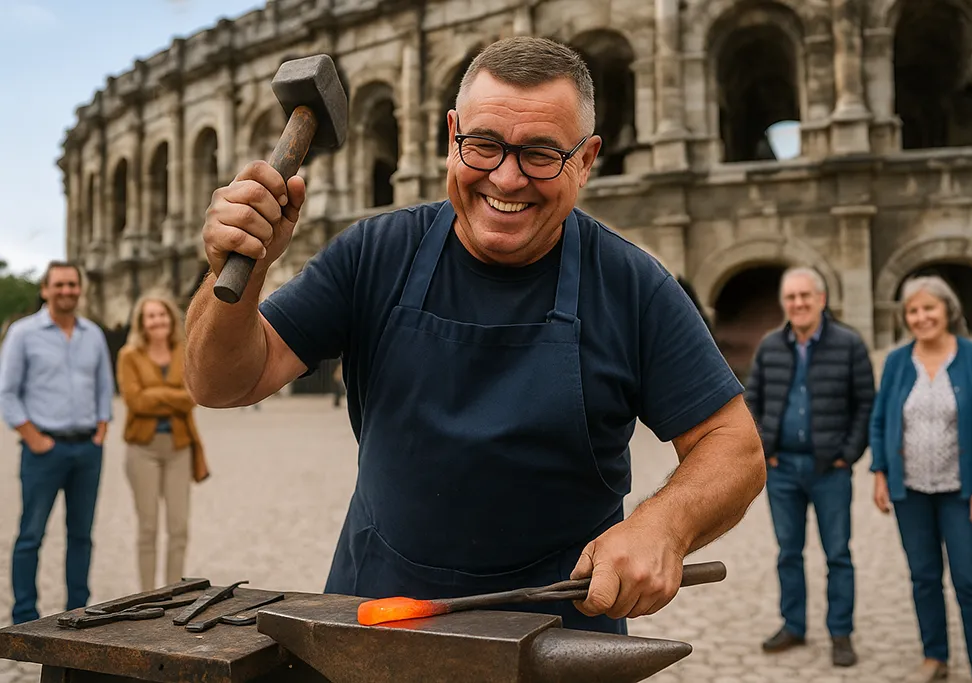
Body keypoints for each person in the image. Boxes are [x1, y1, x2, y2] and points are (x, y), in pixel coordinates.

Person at [183, 36, 766, 634]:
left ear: (586, 160)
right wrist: (242, 270)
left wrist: (662, 525)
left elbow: (734, 444)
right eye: (483, 145)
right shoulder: (374, 254)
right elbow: (221, 381)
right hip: (377, 623)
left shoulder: (631, 284)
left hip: (559, 633)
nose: (507, 179)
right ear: (451, 135)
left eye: (541, 154)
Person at [870, 275, 972, 683]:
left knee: (970, 579)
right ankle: (935, 657)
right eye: (912, 310)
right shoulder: (897, 362)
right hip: (910, 491)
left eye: (929, 308)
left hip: (963, 492)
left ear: (948, 309)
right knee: (924, 578)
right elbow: (880, 422)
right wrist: (880, 472)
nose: (920, 317)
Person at [744, 266, 875, 667]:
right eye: (791, 298)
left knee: (838, 554)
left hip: (830, 470)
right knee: (788, 552)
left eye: (805, 296)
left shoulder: (849, 344)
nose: (798, 304)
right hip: (782, 469)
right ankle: (794, 625)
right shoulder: (770, 346)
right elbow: (753, 401)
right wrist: (765, 449)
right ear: (785, 303)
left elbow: (866, 403)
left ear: (821, 299)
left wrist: (847, 453)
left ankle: (841, 633)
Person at [0, 262, 114, 624]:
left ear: (80, 289)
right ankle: (24, 615)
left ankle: (78, 612)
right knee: (31, 534)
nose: (67, 290)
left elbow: (104, 387)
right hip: (43, 450)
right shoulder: (22, 333)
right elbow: (6, 393)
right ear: (45, 289)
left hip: (87, 450)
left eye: (72, 284)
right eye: (59, 284)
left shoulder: (93, 334)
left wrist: (100, 431)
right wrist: (33, 438)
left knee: (81, 536)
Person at [116, 292, 208, 592]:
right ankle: (146, 594)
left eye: (161, 315)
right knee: (148, 527)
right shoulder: (129, 355)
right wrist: (173, 397)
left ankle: (172, 594)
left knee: (179, 527)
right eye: (150, 316)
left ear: (170, 318)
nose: (157, 321)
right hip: (142, 448)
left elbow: (193, 397)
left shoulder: (185, 351)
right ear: (142, 323)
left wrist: (155, 394)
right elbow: (135, 401)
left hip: (179, 446)